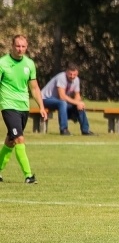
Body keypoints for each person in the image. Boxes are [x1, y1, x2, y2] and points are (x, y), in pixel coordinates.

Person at [0, 35, 47, 184]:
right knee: (19, 138)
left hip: (23, 107)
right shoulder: (2, 63)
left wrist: (41, 107)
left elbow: (34, 87)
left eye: (23, 46)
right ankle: (28, 175)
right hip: (8, 106)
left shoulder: (29, 64)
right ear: (12, 46)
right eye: (17, 46)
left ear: (26, 47)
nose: (20, 49)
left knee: (11, 141)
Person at [40, 63, 94, 136]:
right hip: (45, 99)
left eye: (74, 74)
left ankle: (85, 130)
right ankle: (64, 129)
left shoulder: (76, 80)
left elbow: (77, 95)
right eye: (70, 74)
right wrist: (76, 103)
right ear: (66, 72)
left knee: (80, 105)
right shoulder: (61, 77)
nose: (72, 76)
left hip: (59, 101)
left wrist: (78, 103)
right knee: (63, 103)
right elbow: (62, 96)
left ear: (77, 73)